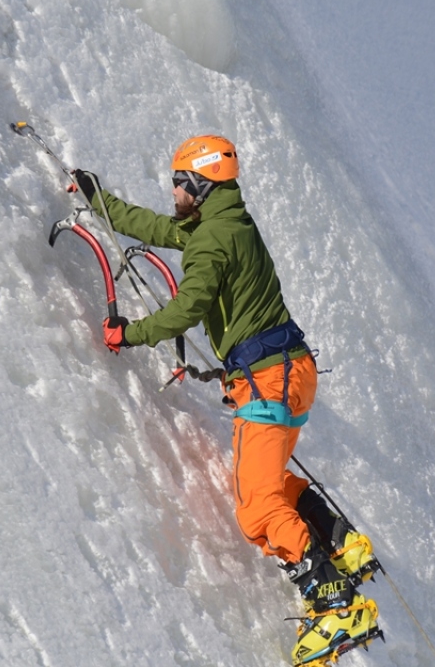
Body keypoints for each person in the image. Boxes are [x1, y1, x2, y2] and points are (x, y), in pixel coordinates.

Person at [71, 135, 382, 664]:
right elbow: (163, 230)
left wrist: (132, 333)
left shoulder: (213, 237)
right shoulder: (223, 222)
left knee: (255, 507)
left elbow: (188, 306)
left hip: (268, 379)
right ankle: (341, 542)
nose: (172, 188)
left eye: (178, 180)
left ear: (200, 182)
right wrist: (102, 202)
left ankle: (335, 604)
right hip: (288, 373)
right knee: (267, 480)